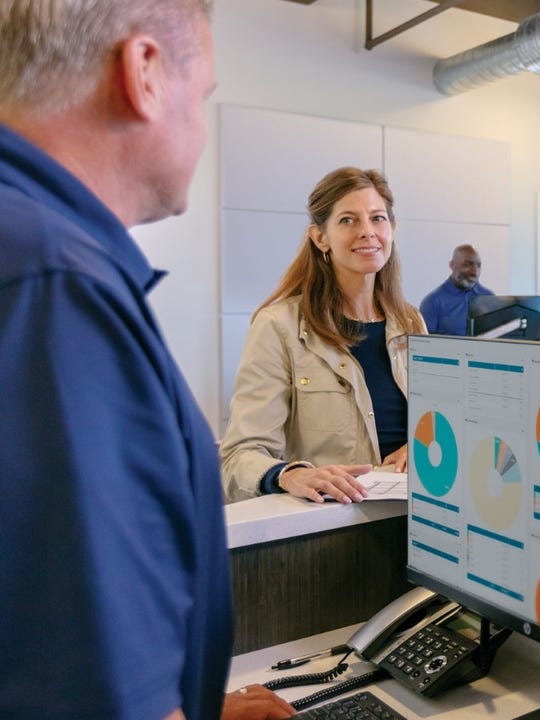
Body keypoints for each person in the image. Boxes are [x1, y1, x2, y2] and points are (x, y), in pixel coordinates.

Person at [0, 2, 294, 718]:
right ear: (145, 73)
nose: (204, 131)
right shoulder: (55, 285)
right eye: (205, 95)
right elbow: (90, 689)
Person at [221, 167, 427, 504]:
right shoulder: (278, 326)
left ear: (392, 229)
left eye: (377, 218)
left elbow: (438, 427)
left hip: (416, 515)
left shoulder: (411, 322)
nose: (367, 231)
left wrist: (419, 445)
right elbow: (240, 457)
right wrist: (291, 474)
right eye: (348, 220)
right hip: (332, 521)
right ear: (320, 238)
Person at [419, 243, 493, 335]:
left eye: (478, 266)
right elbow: (426, 342)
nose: (475, 272)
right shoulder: (432, 302)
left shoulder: (489, 297)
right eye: (467, 265)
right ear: (452, 265)